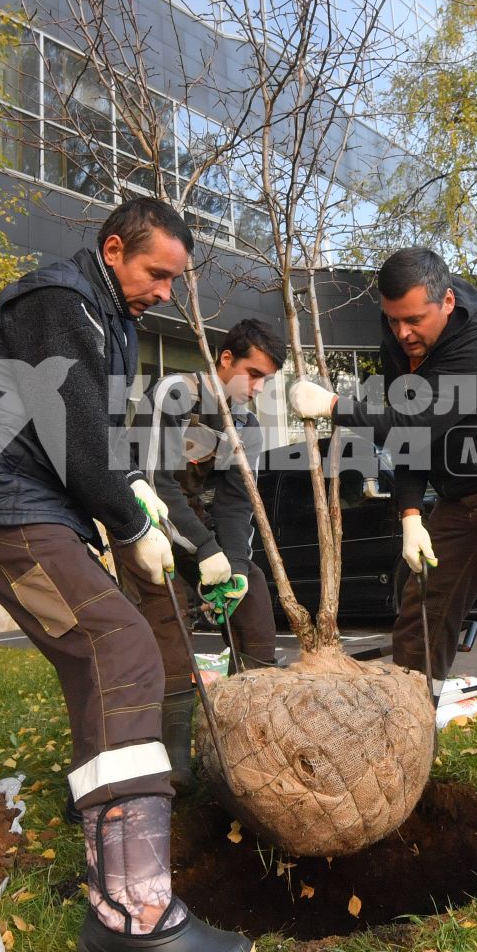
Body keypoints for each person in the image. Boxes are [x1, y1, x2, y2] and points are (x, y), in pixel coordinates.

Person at [0, 196, 250, 952]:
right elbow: (74, 433)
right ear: (113, 251)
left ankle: (117, 893)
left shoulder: (115, 323)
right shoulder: (58, 302)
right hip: (0, 514)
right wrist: (122, 513)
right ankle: (134, 918)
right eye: (157, 274)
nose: (167, 293)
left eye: (177, 281)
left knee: (102, 663)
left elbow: (124, 459)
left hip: (37, 516)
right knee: (119, 650)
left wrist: (189, 545)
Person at [288, 247, 477, 886]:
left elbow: (418, 415)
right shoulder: (398, 338)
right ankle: (399, 774)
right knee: (418, 626)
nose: (402, 334)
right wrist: (408, 514)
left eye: (415, 322)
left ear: (447, 301)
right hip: (457, 494)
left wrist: (336, 407)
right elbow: (412, 441)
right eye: (392, 320)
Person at [125, 317, 286, 785]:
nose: (258, 387)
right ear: (226, 359)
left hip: (196, 529)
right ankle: (172, 767)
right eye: (253, 374)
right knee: (169, 619)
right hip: (144, 523)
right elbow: (154, 482)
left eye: (267, 381)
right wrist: (206, 548)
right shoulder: (174, 393)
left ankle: (243, 741)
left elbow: (238, 505)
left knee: (253, 594)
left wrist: (232, 565)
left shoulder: (247, 427)